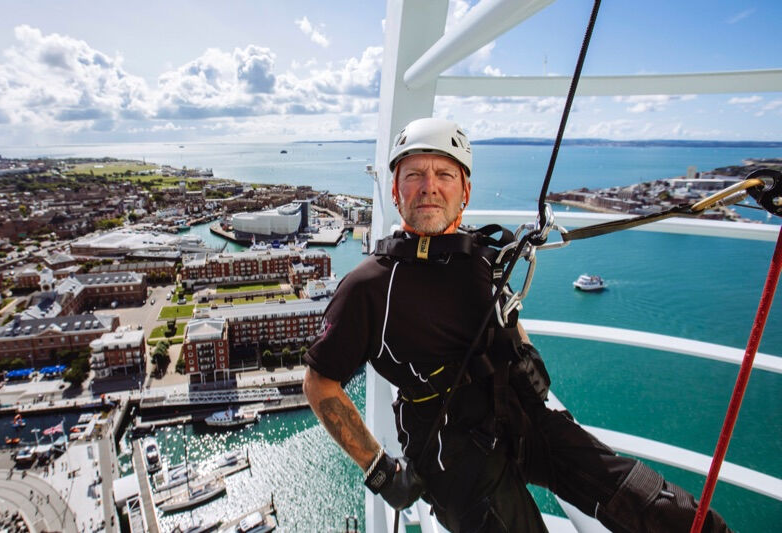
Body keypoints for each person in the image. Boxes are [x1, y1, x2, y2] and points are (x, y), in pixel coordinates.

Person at [303, 117, 731, 533]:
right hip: (451, 454)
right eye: (413, 174)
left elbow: (506, 320)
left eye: (444, 174)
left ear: (465, 191)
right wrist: (380, 470)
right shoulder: (370, 286)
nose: (429, 186)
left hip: (523, 415)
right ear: (395, 191)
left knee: (659, 508)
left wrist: (526, 358)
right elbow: (320, 382)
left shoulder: (485, 259)